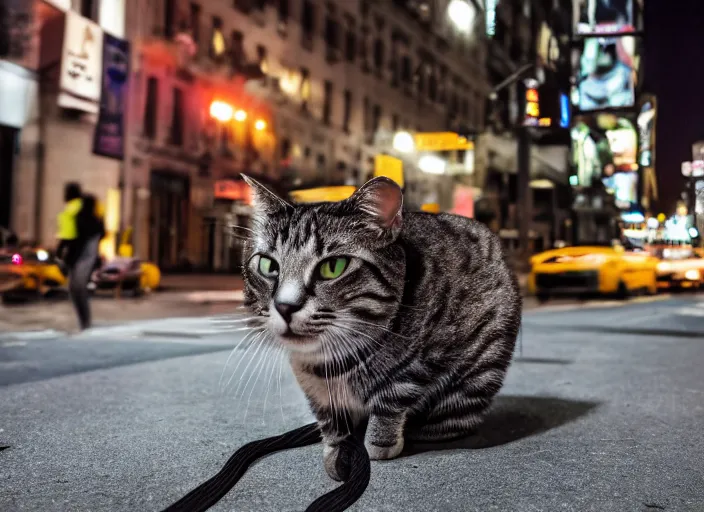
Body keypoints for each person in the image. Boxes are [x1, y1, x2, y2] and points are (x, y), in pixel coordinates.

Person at [56, 183, 105, 330]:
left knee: (76, 287)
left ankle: (85, 323)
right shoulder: (87, 206)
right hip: (88, 246)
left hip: (82, 249)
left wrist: (61, 255)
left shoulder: (71, 209)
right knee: (77, 287)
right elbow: (99, 229)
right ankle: (85, 322)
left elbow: (69, 237)